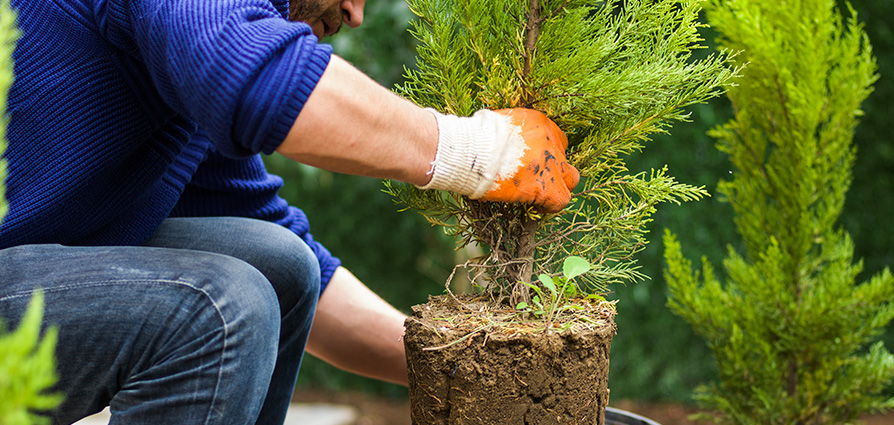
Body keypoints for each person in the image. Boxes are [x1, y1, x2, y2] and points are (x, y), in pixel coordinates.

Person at [0, 0, 579, 423]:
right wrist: (478, 153)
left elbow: (300, 268)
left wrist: (469, 369)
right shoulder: (205, 35)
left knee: (280, 264)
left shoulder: (172, 70)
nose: (355, 14)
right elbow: (258, 82)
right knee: (219, 307)